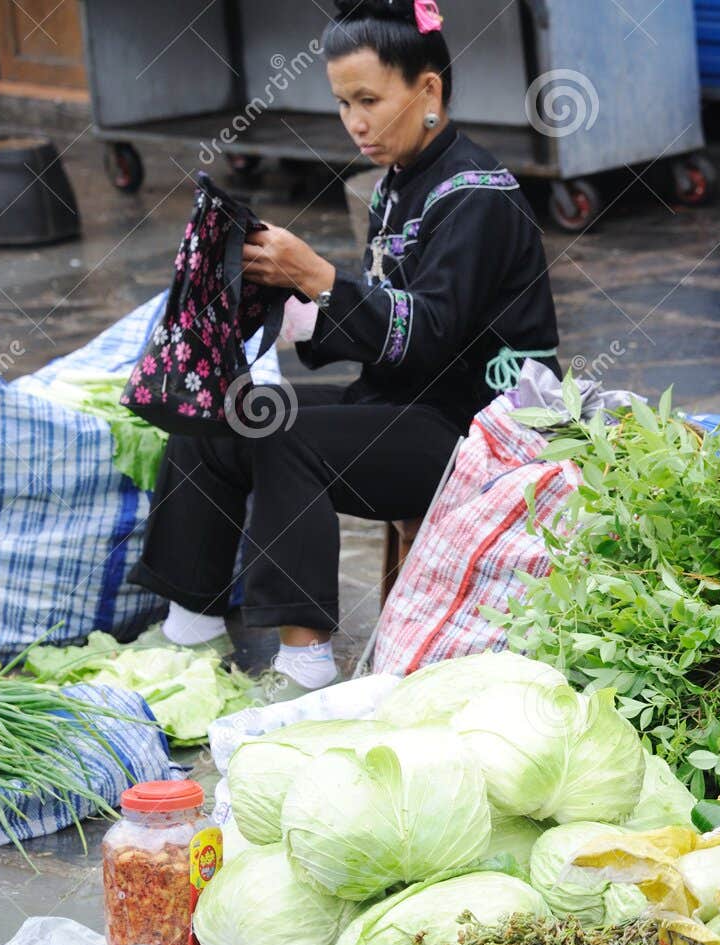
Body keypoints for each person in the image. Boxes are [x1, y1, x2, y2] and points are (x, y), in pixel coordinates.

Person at [132, 0, 559, 694]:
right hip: (400, 406)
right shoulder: (400, 183)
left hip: (478, 432)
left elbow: (426, 335)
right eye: (342, 103)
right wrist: (278, 291)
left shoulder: (476, 195)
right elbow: (382, 326)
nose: (355, 121)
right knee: (222, 411)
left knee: (283, 433)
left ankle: (304, 661)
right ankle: (191, 626)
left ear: (428, 90)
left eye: (369, 99)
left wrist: (318, 278)